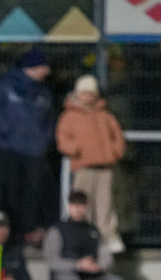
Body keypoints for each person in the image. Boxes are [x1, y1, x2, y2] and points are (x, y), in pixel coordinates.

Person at [0, 47, 57, 246]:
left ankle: (28, 232)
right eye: (44, 66)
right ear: (33, 67)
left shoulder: (43, 93)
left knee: (32, 194)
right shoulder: (7, 86)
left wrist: (45, 139)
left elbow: (49, 119)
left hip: (35, 151)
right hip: (9, 149)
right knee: (10, 192)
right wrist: (6, 130)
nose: (47, 71)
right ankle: (11, 232)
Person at [56, 74, 127, 254]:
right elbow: (62, 138)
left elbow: (117, 135)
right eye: (84, 93)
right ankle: (83, 235)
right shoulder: (69, 116)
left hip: (105, 166)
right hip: (83, 166)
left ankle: (108, 235)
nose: (87, 97)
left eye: (90, 93)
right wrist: (76, 149)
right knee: (83, 202)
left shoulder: (105, 115)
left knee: (105, 203)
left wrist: (115, 151)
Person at [43, 191, 126, 280]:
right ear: (68, 206)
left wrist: (98, 266)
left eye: (81, 204)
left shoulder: (93, 230)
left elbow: (105, 254)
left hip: (91, 275)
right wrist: (78, 265)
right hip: (66, 274)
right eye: (74, 204)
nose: (78, 209)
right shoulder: (56, 231)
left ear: (86, 207)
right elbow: (53, 261)